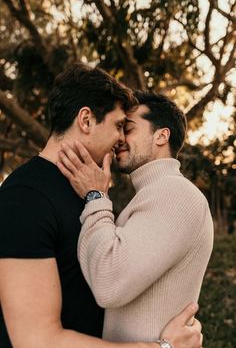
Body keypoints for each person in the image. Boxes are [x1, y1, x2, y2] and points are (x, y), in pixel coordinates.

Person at [0, 64, 203, 348]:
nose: (121, 138)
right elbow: (35, 340)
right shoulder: (24, 196)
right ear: (86, 120)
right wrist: (163, 347)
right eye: (120, 125)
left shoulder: (88, 191)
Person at [57, 91, 214, 344]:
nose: (119, 138)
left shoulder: (174, 194)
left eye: (127, 128)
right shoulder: (154, 195)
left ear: (162, 135)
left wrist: (95, 196)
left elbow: (109, 282)